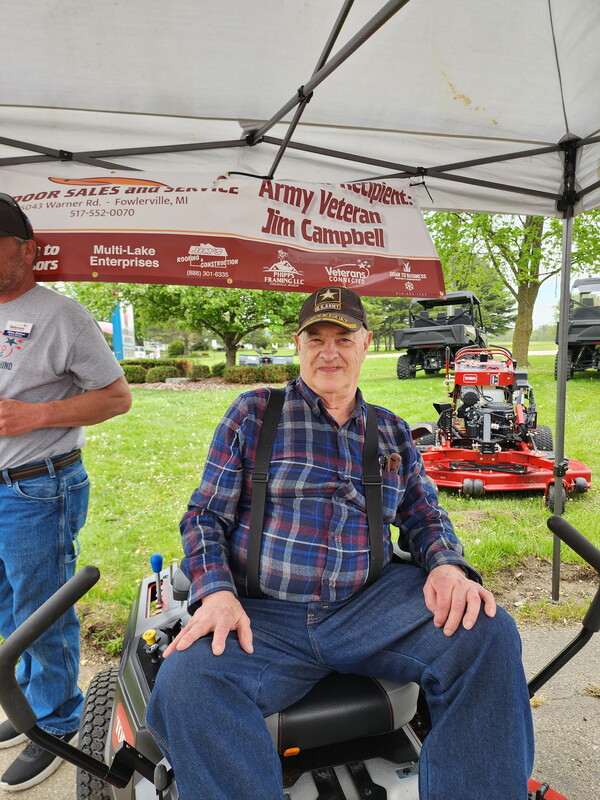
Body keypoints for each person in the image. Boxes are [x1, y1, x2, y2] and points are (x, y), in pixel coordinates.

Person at [146, 286, 534, 800]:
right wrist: (216, 594)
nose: (329, 351)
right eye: (316, 337)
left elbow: (424, 514)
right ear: (299, 344)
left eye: (343, 337)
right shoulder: (255, 414)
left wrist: (447, 567)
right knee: (184, 683)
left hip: (368, 607)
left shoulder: (392, 432)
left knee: (486, 633)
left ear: (366, 343)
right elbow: (203, 517)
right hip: (264, 615)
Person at [0, 194, 132, 791]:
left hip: (37, 490)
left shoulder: (64, 316)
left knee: (40, 609)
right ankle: (31, 697)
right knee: (9, 608)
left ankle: (55, 721)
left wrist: (34, 417)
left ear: (28, 251)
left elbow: (115, 397)